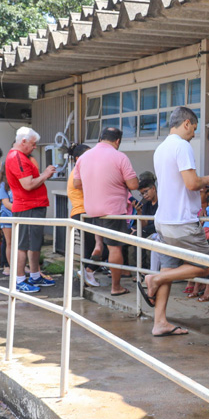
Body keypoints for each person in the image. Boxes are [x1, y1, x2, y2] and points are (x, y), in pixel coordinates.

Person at [139, 107, 209, 337]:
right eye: (194, 129)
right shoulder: (182, 146)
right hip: (182, 221)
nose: (193, 135)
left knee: (169, 267)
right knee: (206, 266)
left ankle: (160, 322)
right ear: (187, 123)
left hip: (163, 220)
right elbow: (191, 183)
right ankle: (154, 278)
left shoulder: (161, 148)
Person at [73, 127, 139, 297]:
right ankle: (116, 287)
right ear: (118, 141)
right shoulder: (119, 157)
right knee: (115, 248)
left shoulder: (84, 157)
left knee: (100, 238)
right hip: (112, 210)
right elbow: (133, 185)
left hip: (91, 210)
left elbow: (76, 184)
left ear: (100, 138)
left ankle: (98, 245)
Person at [5, 127, 58, 294]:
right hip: (27, 206)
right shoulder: (17, 157)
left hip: (33, 205)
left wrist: (42, 175)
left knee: (33, 244)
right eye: (33, 144)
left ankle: (34, 275)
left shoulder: (19, 157)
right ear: (24, 142)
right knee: (24, 244)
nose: (35, 147)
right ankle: (20, 279)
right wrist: (45, 174)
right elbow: (27, 184)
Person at [66, 144, 101, 287]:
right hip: (83, 213)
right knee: (97, 246)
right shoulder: (79, 171)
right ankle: (88, 272)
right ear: (78, 158)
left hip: (83, 212)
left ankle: (87, 273)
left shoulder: (77, 170)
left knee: (92, 246)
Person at [0, 163, 15, 276]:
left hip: (18, 215)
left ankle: (21, 266)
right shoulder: (3, 184)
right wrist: (20, 210)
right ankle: (9, 266)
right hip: (7, 214)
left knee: (20, 244)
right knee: (9, 242)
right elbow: (6, 203)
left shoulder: (19, 181)